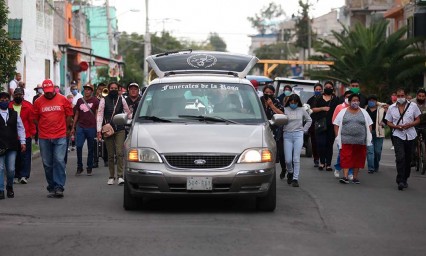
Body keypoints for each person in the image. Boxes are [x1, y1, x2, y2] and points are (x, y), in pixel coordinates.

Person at [33, 79, 73, 198]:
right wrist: (41, 127)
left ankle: (59, 186)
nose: (48, 93)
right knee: (47, 163)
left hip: (60, 135)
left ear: (53, 89)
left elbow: (69, 115)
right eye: (46, 92)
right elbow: (35, 118)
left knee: (59, 160)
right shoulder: (38, 101)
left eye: (50, 91)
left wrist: (66, 129)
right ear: (43, 90)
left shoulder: (62, 99)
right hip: (44, 136)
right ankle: (51, 186)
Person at [96, 82, 132, 185]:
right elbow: (100, 115)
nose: (113, 90)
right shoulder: (103, 100)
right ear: (108, 89)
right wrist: (99, 130)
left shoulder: (122, 99)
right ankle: (111, 176)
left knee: (120, 153)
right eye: (111, 88)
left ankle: (120, 176)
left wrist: (130, 121)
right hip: (108, 130)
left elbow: (128, 113)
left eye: (115, 88)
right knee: (111, 155)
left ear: (118, 89)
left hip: (120, 129)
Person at [385, 88, 420, 191]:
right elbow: (388, 122)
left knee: (408, 158)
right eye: (398, 96)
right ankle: (400, 180)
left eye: (402, 95)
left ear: (406, 95)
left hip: (411, 135)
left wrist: (410, 124)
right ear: (396, 96)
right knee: (400, 157)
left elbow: (418, 119)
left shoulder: (413, 106)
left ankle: (405, 179)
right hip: (398, 135)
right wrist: (396, 127)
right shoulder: (392, 108)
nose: (400, 98)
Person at [334, 94, 373, 184]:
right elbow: (336, 124)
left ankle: (355, 177)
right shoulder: (343, 112)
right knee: (346, 157)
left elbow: (370, 124)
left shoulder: (364, 112)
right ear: (349, 102)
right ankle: (345, 177)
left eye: (357, 100)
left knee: (358, 158)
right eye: (354, 100)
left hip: (360, 141)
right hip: (346, 139)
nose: (356, 102)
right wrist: (337, 136)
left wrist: (368, 135)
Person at [0, 92, 26, 199]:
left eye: (6, 100)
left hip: (12, 145)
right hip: (0, 145)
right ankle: (1, 190)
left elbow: (21, 128)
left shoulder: (14, 113)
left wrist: (23, 142)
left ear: (9, 101)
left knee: (10, 169)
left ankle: (9, 186)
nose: (4, 102)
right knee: (0, 168)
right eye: (2, 100)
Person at [282, 94, 312, 187]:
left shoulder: (302, 109)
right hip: (287, 135)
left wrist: (304, 130)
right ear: (289, 102)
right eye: (291, 102)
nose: (293, 104)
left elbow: (309, 120)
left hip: (298, 135)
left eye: (295, 103)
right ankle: (290, 172)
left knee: (296, 158)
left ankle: (295, 178)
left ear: (298, 102)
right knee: (288, 160)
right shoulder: (285, 109)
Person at [9, 88, 36, 184]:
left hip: (26, 134)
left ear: (23, 95)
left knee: (25, 156)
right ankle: (15, 175)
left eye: (20, 95)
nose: (18, 96)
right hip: (12, 136)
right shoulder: (9, 106)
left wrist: (33, 132)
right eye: (16, 94)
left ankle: (24, 175)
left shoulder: (28, 106)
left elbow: (31, 120)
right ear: (13, 95)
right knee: (14, 157)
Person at [71, 83, 99, 176]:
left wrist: (98, 128)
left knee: (91, 148)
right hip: (81, 127)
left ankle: (89, 167)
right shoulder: (79, 101)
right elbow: (76, 114)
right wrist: (73, 127)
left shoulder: (95, 101)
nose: (87, 91)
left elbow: (97, 114)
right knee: (79, 146)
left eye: (89, 89)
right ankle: (79, 167)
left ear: (91, 91)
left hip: (91, 127)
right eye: (86, 89)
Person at [311, 81, 339, 171]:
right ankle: (322, 162)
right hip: (320, 125)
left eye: (330, 87)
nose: (328, 88)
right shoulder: (318, 98)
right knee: (321, 144)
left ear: (332, 88)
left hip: (331, 125)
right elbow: (313, 109)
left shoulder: (336, 99)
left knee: (329, 145)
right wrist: (322, 108)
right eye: (326, 87)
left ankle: (328, 164)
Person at [260, 85, 285, 179]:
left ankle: (284, 168)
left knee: (279, 150)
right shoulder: (259, 100)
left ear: (273, 93)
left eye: (270, 92)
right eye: (266, 92)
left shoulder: (276, 101)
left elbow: (282, 114)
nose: (268, 94)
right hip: (261, 127)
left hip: (274, 128)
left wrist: (271, 105)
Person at [331, 90, 354, 179]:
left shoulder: (356, 108)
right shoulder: (339, 107)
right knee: (343, 153)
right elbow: (334, 121)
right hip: (341, 134)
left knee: (351, 154)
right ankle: (337, 168)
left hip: (353, 135)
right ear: (344, 97)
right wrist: (337, 135)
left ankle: (350, 172)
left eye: (350, 97)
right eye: (347, 96)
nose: (349, 98)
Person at [365, 95, 386, 173]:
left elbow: (387, 118)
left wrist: (384, 122)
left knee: (377, 151)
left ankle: (376, 165)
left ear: (376, 101)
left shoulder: (381, 109)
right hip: (368, 133)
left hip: (379, 133)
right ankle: (371, 168)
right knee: (370, 151)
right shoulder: (364, 109)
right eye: (370, 100)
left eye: (373, 100)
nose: (371, 101)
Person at [307, 83, 322, 167]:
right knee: (314, 141)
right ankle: (316, 159)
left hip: (323, 123)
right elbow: (308, 111)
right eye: (317, 89)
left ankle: (323, 158)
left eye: (320, 89)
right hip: (313, 123)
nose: (318, 91)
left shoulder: (325, 99)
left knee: (322, 142)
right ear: (314, 90)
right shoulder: (310, 100)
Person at [411, 88, 426, 173]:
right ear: (417, 96)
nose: (421, 98)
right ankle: (413, 159)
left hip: (425, 123)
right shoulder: (412, 103)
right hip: (415, 124)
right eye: (419, 96)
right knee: (413, 142)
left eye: (423, 96)